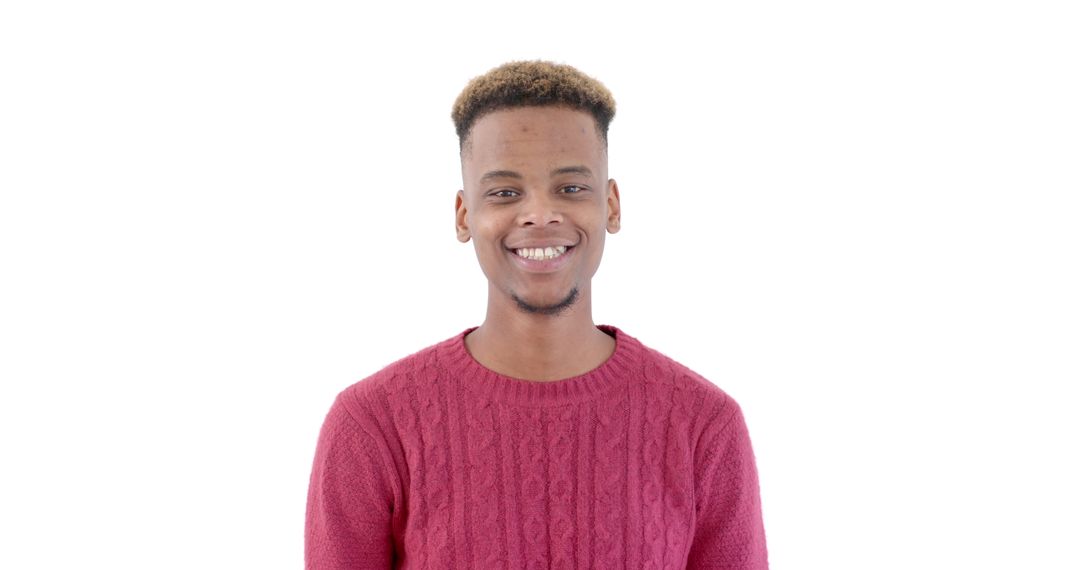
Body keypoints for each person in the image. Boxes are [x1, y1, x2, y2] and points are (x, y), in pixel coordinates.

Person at [305, 60, 769, 569]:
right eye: (505, 192)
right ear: (465, 216)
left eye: (571, 188)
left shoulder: (705, 427)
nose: (540, 214)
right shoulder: (372, 427)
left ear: (611, 206)